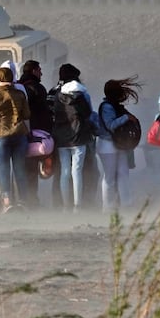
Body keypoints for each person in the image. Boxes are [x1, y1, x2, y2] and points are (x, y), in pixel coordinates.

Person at [0, 66, 32, 213]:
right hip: (20, 134)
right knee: (20, 169)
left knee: (3, 170)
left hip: (1, 136)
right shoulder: (20, 94)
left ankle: (7, 202)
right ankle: (23, 201)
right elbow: (27, 114)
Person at [50, 64, 94, 213]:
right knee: (77, 171)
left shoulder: (57, 96)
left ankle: (65, 205)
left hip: (62, 137)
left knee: (65, 171)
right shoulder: (82, 95)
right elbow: (88, 114)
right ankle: (77, 205)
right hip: (79, 136)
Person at [95, 77, 141, 213]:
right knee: (110, 177)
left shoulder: (112, 106)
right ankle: (108, 207)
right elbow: (111, 125)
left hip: (117, 145)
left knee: (123, 174)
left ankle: (126, 204)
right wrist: (126, 118)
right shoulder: (107, 107)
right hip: (108, 145)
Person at [18, 60, 52, 207]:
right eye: (39, 70)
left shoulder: (18, 87)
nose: (41, 73)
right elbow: (43, 112)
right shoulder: (38, 88)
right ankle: (32, 200)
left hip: (19, 132)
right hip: (36, 134)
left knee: (19, 168)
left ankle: (20, 199)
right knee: (32, 168)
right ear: (34, 71)